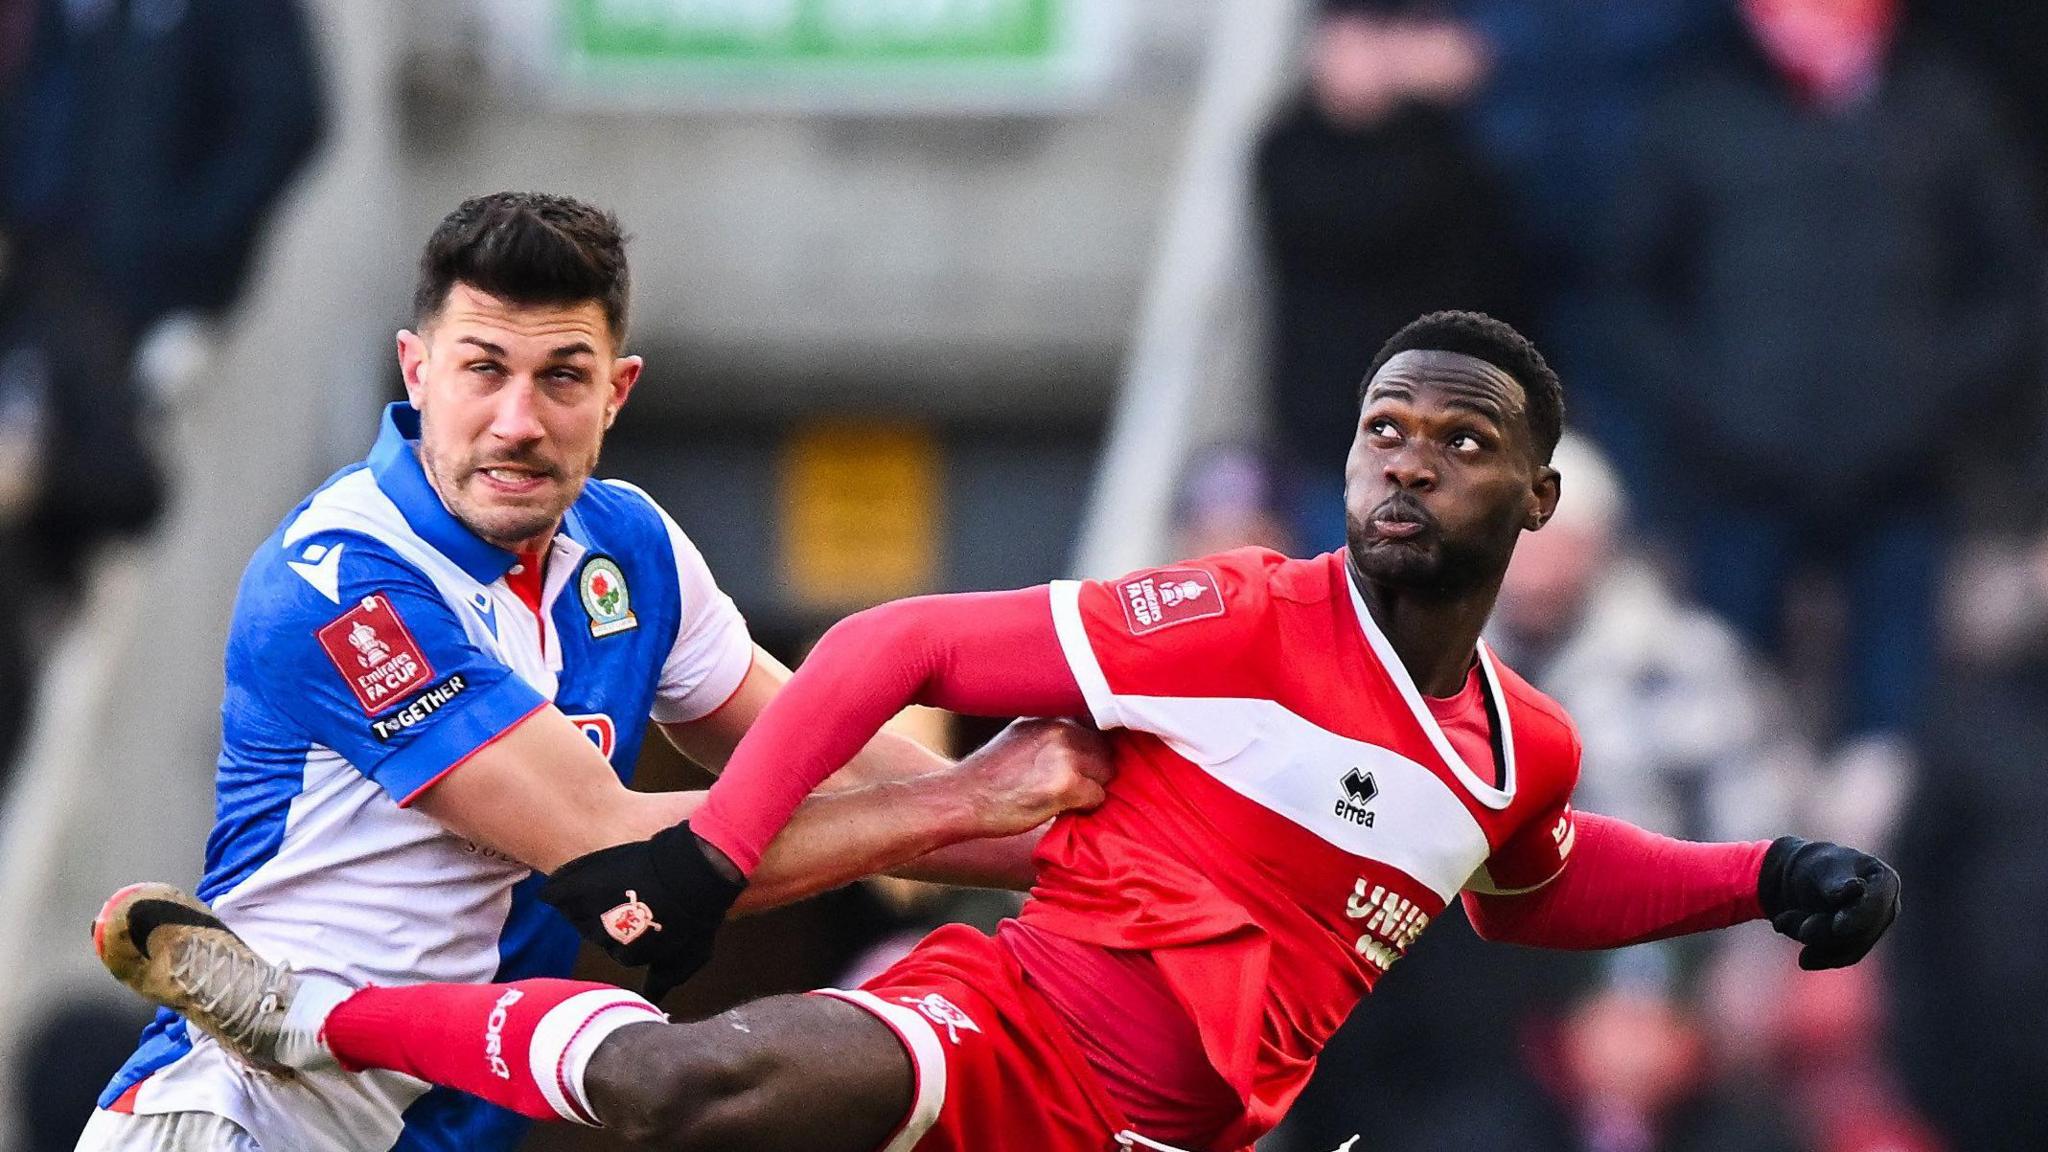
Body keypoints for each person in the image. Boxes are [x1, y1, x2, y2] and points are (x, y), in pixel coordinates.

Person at [97, 311, 1902, 1152]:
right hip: (1001, 1036)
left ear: (1537, 492)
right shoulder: (1237, 614)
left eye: (1453, 441)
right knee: (679, 1080)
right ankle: (309, 1006)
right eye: (1380, 429)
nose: (1406, 460)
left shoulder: (1523, 745)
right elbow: (888, 637)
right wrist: (718, 859)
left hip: (1178, 1139)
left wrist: (1758, 872)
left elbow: (1536, 884)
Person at [74, 192, 1115, 1152]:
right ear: (416, 370)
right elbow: (615, 858)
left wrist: (1104, 849)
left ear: (618, 390)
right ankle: (297, 1017)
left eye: (561, 377)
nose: (518, 421)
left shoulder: (632, 549)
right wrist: (975, 797)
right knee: (665, 1069)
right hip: (241, 1121)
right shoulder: (344, 583)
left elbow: (824, 756)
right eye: (483, 369)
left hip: (438, 1125)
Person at [1613, 0, 2040, 819]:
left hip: (1904, 474)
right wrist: (1712, 405)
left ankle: (1888, 927)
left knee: (1898, 742)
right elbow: (1633, 292)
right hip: (1739, 475)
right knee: (1724, 722)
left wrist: (1936, 396)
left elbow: (2011, 286)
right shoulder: (1699, 111)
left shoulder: (1946, 109)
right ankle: (1728, 921)